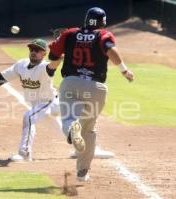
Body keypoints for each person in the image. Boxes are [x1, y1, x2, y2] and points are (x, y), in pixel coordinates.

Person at [47, 7, 134, 181]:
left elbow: (52, 56)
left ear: (86, 19)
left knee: (69, 119)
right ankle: (83, 171)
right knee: (89, 129)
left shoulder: (70, 34)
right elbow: (111, 51)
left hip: (71, 83)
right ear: (103, 21)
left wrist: (59, 44)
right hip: (96, 88)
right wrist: (124, 71)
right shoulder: (104, 35)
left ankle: (72, 128)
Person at [0, 38, 60, 162]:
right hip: (39, 105)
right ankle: (80, 144)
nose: (33, 52)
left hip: (49, 102)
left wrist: (61, 53)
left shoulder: (44, 67)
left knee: (29, 117)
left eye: (37, 50)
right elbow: (2, 77)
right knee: (59, 127)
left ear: (44, 54)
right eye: (31, 49)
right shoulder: (21, 65)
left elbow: (53, 65)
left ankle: (24, 153)